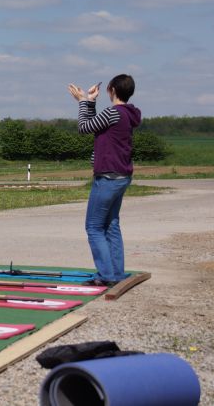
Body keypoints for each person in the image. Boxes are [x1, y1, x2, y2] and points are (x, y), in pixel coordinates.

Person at [68, 74, 141, 286]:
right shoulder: (127, 114)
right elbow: (95, 126)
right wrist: (91, 102)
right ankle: (115, 273)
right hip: (121, 176)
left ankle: (106, 275)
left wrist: (82, 101)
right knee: (111, 225)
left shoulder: (113, 112)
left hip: (107, 177)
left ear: (112, 90)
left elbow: (84, 127)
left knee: (93, 227)